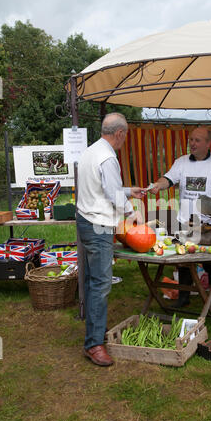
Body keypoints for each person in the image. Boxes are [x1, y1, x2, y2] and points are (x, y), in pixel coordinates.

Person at [76, 112, 144, 367]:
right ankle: (94, 345)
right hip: (99, 225)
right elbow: (112, 194)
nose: (124, 140)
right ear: (119, 134)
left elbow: (103, 186)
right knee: (101, 284)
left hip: (86, 220)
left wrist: (128, 190)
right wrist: (131, 211)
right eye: (125, 136)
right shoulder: (108, 157)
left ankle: (93, 335)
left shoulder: (91, 151)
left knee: (94, 280)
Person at [148, 126, 211, 309]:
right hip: (185, 223)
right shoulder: (181, 162)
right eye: (190, 140)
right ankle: (184, 296)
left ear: (208, 143)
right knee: (184, 261)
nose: (192, 144)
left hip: (210, 225)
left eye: (197, 140)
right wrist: (157, 185)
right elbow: (168, 179)